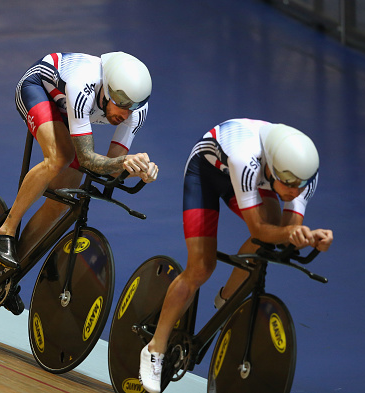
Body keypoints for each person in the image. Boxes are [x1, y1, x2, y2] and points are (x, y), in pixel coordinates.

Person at [138, 119, 334, 393]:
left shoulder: (303, 177)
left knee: (275, 229)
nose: (294, 191)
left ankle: (226, 300)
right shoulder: (246, 157)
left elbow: (289, 233)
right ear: (272, 168)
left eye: (300, 186)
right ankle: (154, 347)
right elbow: (259, 230)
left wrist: (311, 239)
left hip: (251, 180)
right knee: (200, 268)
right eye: (288, 183)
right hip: (206, 173)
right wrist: (294, 234)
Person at [0, 51, 159, 314]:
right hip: (38, 89)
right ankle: (6, 230)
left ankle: (6, 275)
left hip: (66, 111)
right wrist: (123, 163)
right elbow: (89, 159)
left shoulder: (136, 111)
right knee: (60, 157)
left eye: (131, 108)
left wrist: (139, 169)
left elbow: (112, 166)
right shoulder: (84, 82)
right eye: (121, 105)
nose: (125, 115)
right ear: (107, 90)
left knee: (62, 202)